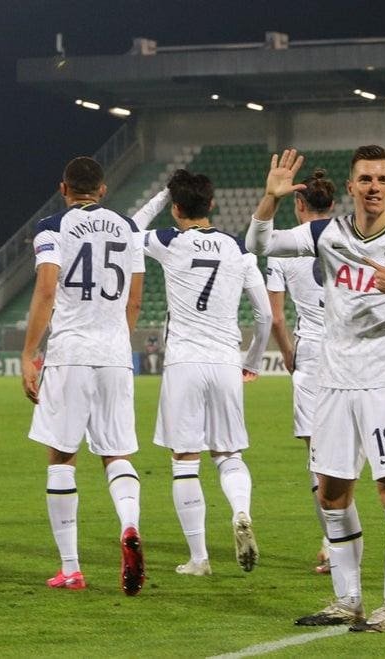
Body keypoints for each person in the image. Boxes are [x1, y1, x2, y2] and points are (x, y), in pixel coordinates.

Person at [246, 146, 385, 633]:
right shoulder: (326, 233)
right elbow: (259, 245)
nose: (374, 187)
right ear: (352, 186)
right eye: (365, 179)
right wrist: (270, 200)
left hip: (383, 381)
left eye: (382, 179)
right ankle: (348, 600)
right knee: (332, 494)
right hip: (333, 382)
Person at [133, 170, 271, 576]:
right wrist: (251, 361)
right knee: (229, 454)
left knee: (184, 460)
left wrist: (162, 194)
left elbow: (129, 229)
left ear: (177, 208)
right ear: (212, 205)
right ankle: (241, 511)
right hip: (227, 361)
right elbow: (264, 316)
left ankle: (199, 559)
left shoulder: (169, 241)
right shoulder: (238, 249)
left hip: (184, 363)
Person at [21, 156, 146, 596]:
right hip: (114, 354)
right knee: (117, 455)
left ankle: (71, 568)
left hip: (71, 352)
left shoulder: (52, 227)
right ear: (104, 189)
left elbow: (47, 287)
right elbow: (134, 299)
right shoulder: (129, 228)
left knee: (61, 457)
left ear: (64, 188)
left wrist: (29, 352)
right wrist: (117, 341)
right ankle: (129, 526)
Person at [265, 168, 335, 575]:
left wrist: (288, 355)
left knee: (316, 452)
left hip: (310, 352)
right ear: (334, 204)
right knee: (346, 447)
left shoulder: (282, 248)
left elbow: (276, 317)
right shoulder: (348, 237)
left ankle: (331, 539)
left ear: (298, 203)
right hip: (347, 351)